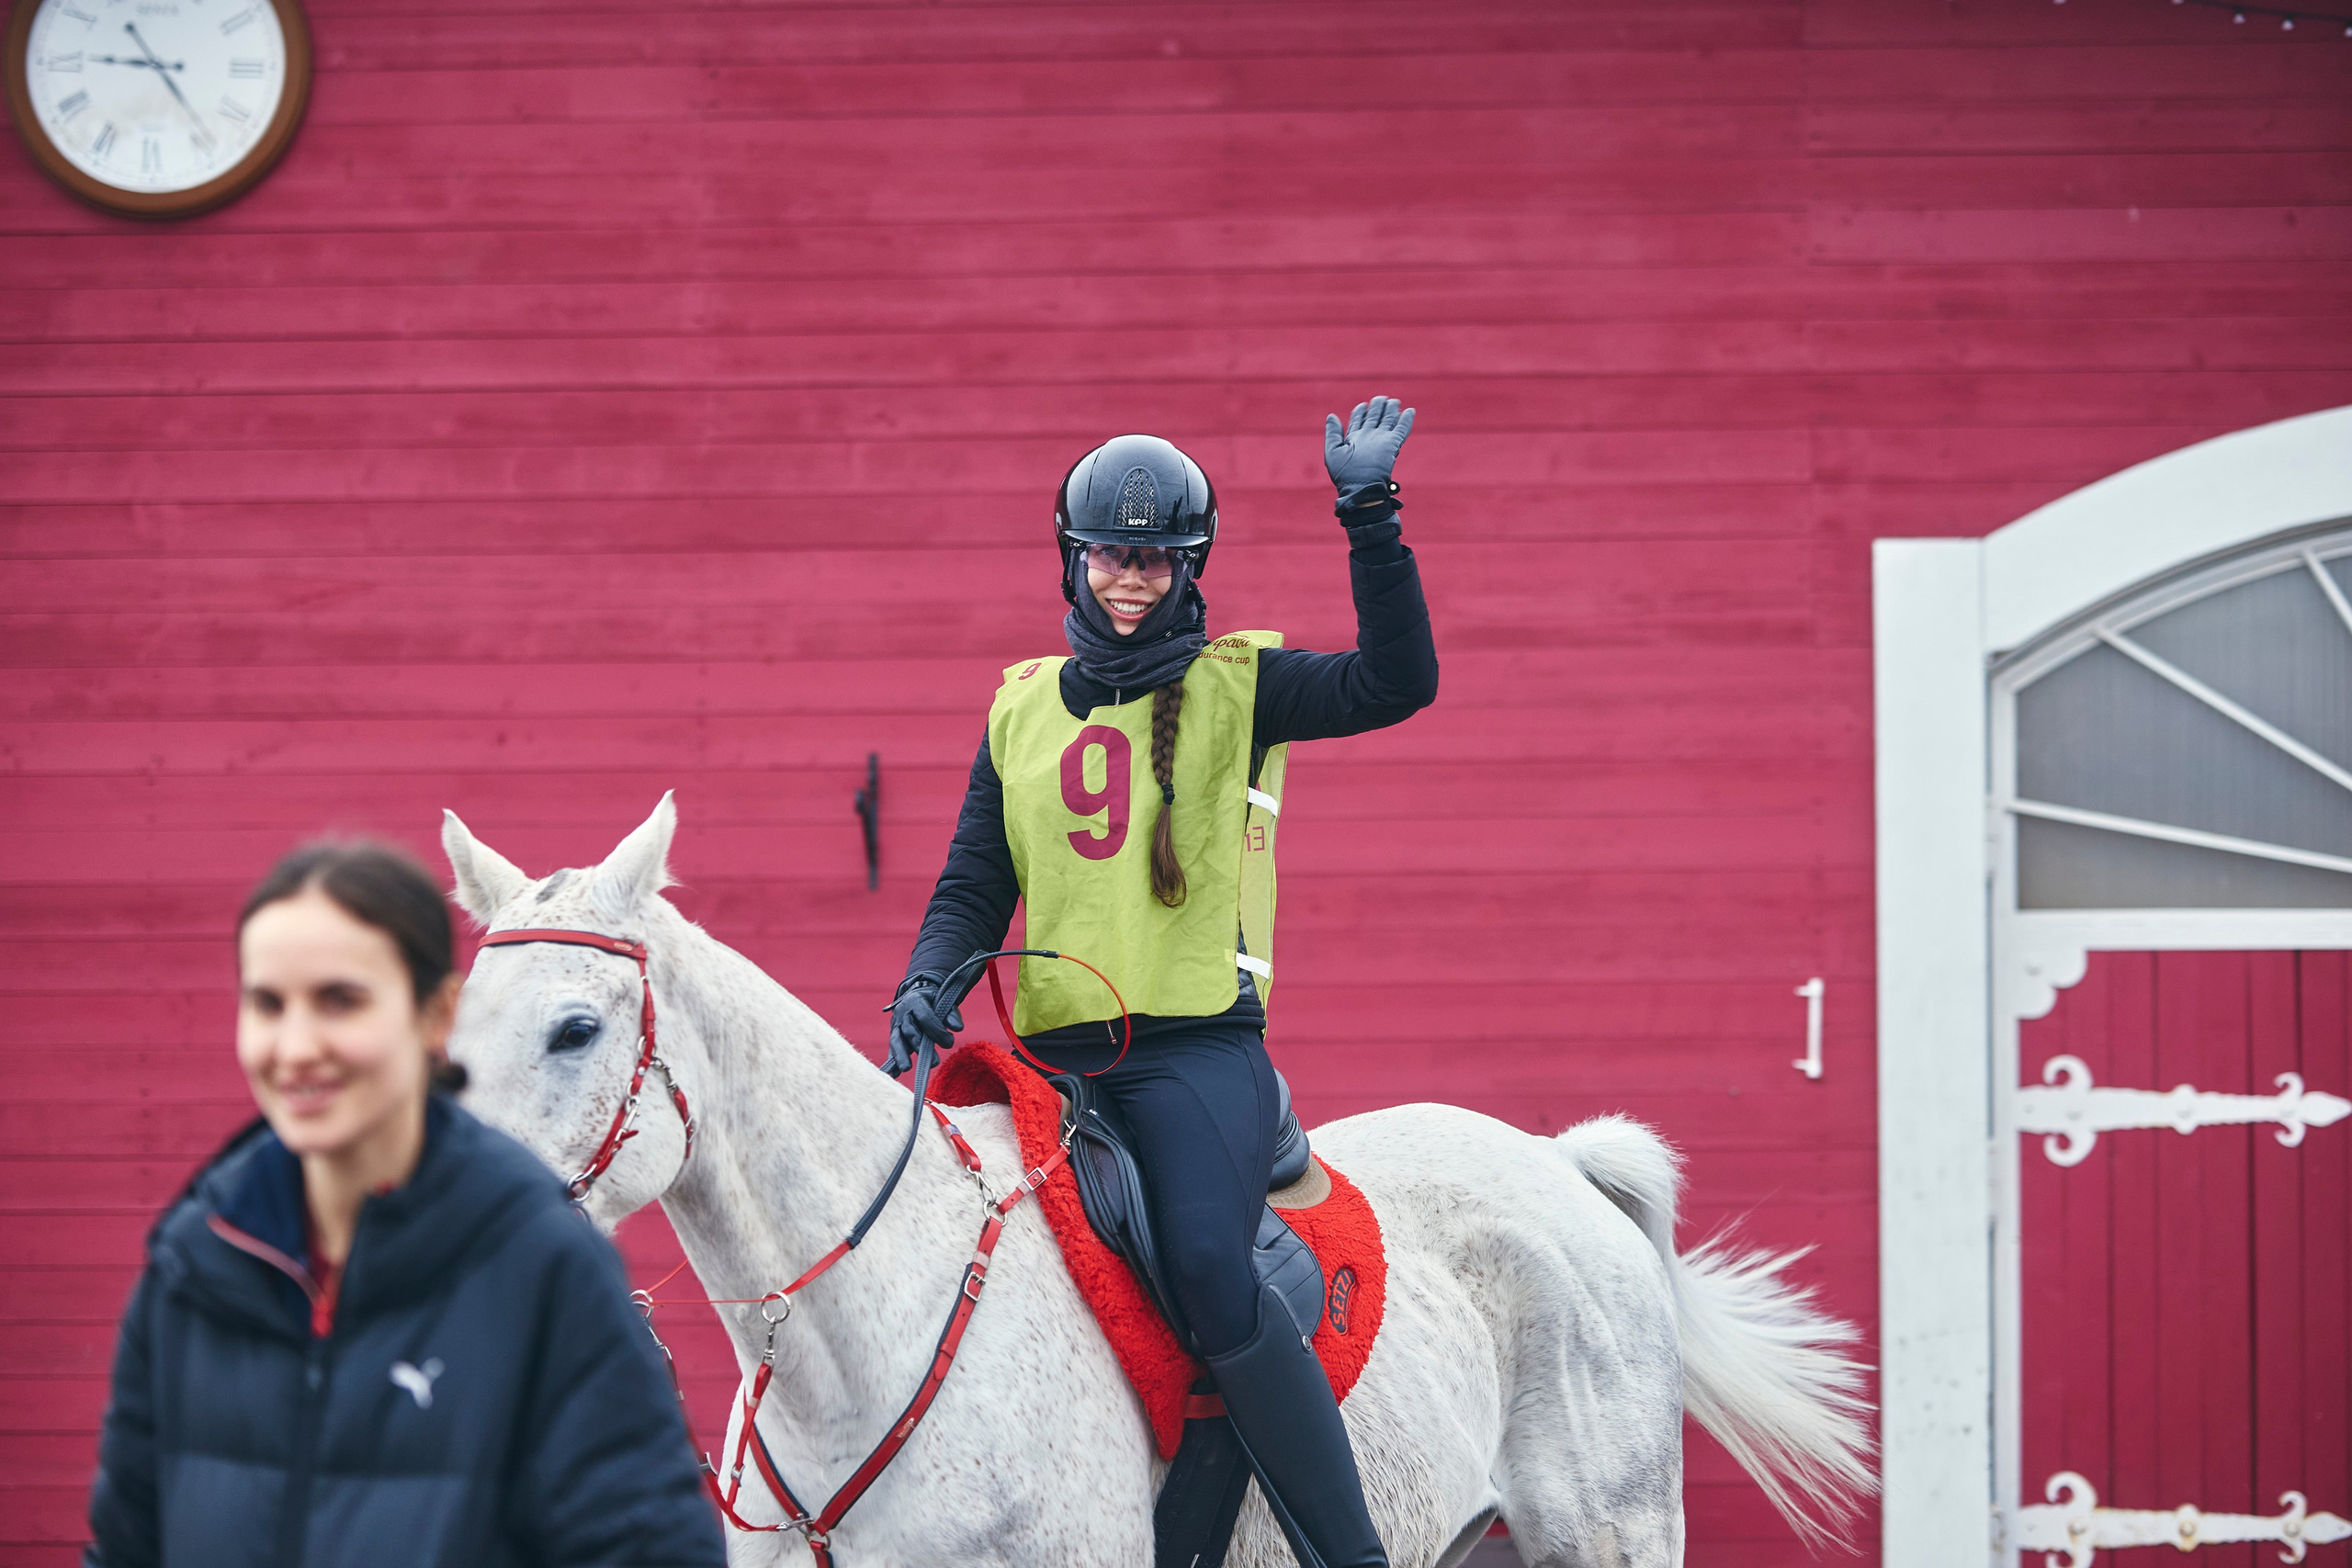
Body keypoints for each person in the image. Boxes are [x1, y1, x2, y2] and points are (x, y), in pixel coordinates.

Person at [888, 398, 1437, 1568]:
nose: (1126, 580)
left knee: (1203, 1265)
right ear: (1071, 561)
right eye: (1107, 556)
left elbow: (1400, 682)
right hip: (1053, 1064)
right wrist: (927, 978)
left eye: (1152, 560)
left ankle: (1355, 1556)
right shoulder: (1019, 705)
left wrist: (1370, 519)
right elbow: (974, 883)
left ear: (1187, 569)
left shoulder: (1250, 687)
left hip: (1195, 1055)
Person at [83, 840, 726, 1568]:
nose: (295, 1046)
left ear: (436, 1015)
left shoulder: (546, 1266)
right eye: (267, 1003)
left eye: (341, 1000)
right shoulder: (194, 1264)